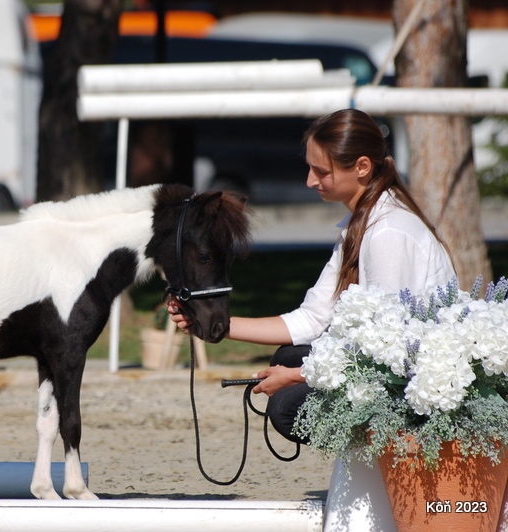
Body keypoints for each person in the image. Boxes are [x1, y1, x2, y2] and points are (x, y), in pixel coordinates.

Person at [168, 108, 456, 531]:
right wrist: (211, 326)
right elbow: (311, 319)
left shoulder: (388, 233)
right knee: (290, 355)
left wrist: (294, 378)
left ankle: (384, 471)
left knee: (288, 404)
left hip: (415, 393)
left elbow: (386, 355)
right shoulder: (363, 222)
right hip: (388, 372)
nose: (309, 181)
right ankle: (367, 466)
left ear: (361, 167)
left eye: (320, 171)